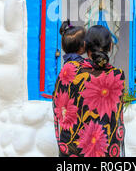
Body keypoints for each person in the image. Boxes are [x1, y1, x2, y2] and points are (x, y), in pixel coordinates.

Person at [52, 25, 125, 157]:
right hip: (105, 151)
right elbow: (115, 118)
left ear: (85, 46)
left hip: (74, 151)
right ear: (110, 47)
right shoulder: (118, 76)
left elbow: (60, 109)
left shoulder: (70, 71)